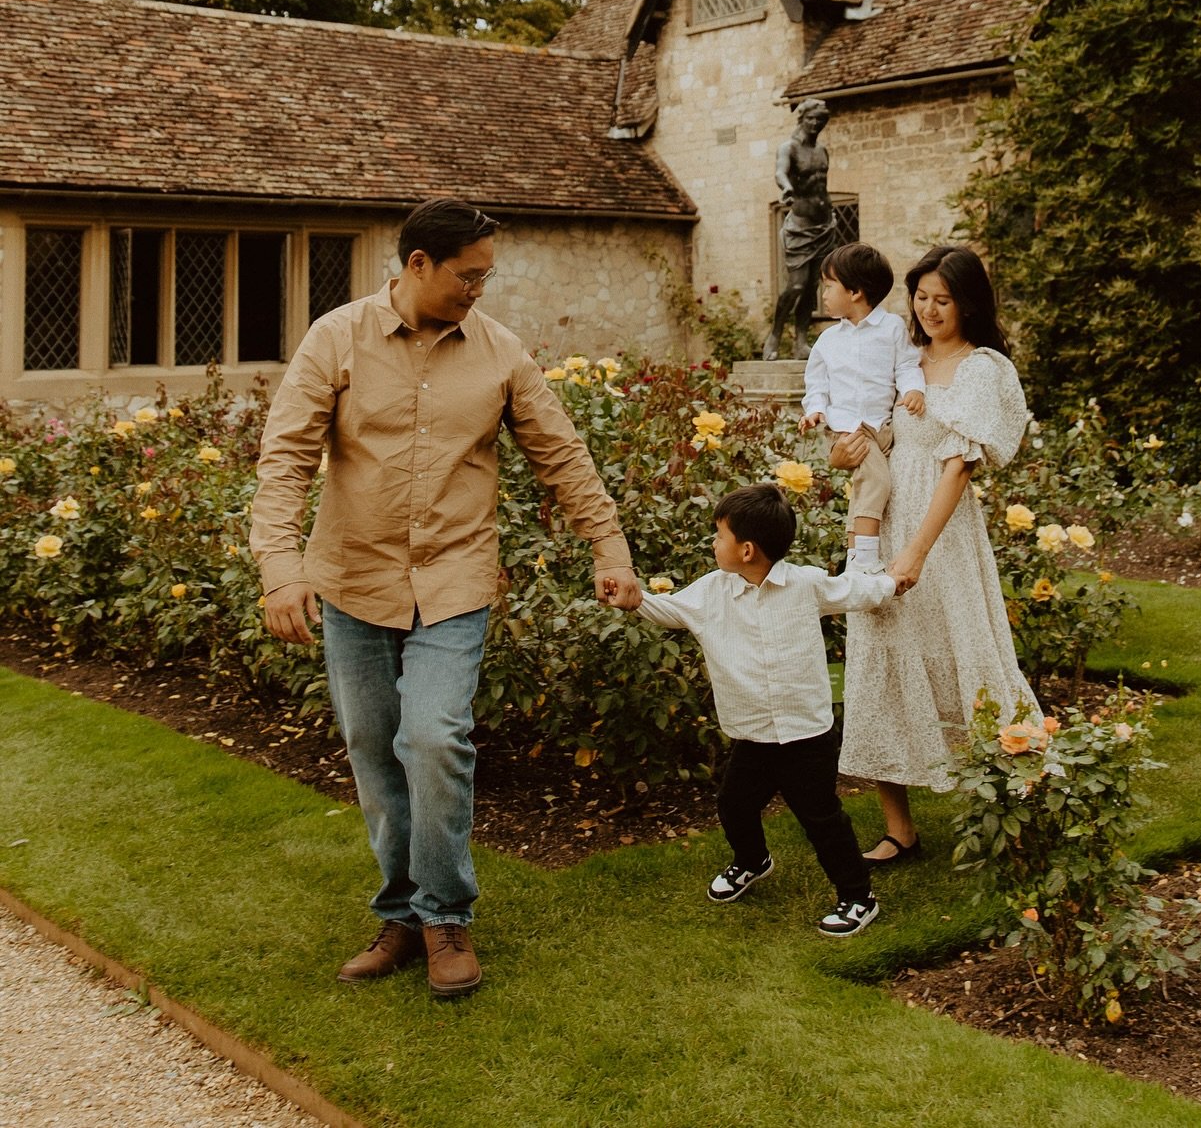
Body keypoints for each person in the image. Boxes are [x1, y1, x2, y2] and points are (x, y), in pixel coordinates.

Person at [251, 197, 641, 999]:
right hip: (354, 579)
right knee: (373, 745)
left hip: (455, 580)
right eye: (469, 275)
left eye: (487, 275)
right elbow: (285, 455)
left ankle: (444, 916)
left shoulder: (500, 353)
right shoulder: (337, 337)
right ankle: (401, 910)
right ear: (418, 264)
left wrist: (609, 544)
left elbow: (560, 453)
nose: (480, 290)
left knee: (434, 737)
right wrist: (279, 567)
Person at [607, 483, 894, 937]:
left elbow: (853, 592)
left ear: (745, 549)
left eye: (719, 534)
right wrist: (636, 601)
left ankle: (858, 897)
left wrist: (892, 583)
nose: (713, 542)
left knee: (822, 820)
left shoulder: (805, 585)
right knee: (733, 805)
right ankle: (752, 861)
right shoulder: (710, 592)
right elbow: (670, 609)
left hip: (807, 736)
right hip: (754, 735)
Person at [832, 244, 1038, 864]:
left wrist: (917, 553)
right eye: (920, 297)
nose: (927, 310)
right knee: (881, 657)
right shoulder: (904, 360)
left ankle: (1018, 810)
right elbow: (872, 436)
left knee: (969, 656)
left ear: (967, 303)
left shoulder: (985, 370)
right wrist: (844, 452)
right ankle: (900, 828)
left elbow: (957, 470)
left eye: (941, 300)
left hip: (940, 534)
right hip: (886, 519)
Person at [798, 242, 925, 572]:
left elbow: (908, 365)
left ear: (855, 292)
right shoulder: (828, 340)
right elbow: (817, 383)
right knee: (876, 483)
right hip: (850, 430)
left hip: (882, 428)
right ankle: (866, 563)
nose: (823, 295)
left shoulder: (892, 328)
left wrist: (913, 390)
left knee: (863, 490)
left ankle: (854, 556)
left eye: (829, 286)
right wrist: (814, 410)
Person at [763, 97, 838, 360]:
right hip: (800, 226)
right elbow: (780, 173)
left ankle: (801, 341)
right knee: (796, 284)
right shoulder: (789, 148)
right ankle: (774, 334)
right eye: (811, 118)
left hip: (824, 225)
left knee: (811, 286)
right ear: (801, 119)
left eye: (820, 119)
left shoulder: (822, 150)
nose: (816, 123)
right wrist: (786, 188)